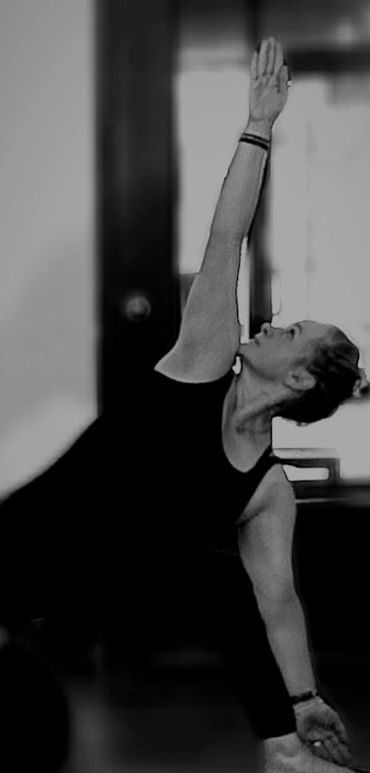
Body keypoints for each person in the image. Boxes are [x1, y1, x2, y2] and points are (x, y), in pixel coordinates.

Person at [0, 36, 368, 773]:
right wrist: (259, 125)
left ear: (298, 381)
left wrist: (304, 698)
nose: (271, 323)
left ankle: (286, 750)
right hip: (30, 540)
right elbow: (226, 236)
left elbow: (278, 603)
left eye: (291, 332)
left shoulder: (266, 489)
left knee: (224, 586)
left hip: (104, 583)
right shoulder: (203, 359)